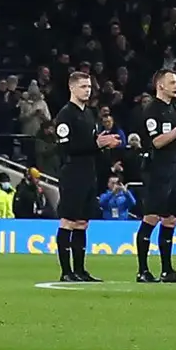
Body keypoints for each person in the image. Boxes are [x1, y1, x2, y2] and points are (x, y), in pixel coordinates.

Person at [41, 66, 112, 285]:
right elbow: (65, 148)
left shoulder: (89, 114)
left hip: (88, 172)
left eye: (89, 86)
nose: (87, 90)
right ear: (72, 88)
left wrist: (102, 144)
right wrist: (95, 144)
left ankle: (80, 270)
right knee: (68, 221)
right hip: (72, 173)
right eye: (83, 86)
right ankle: (66, 271)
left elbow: (91, 144)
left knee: (82, 222)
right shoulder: (66, 115)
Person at [135, 66, 176, 283]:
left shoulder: (174, 108)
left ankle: (166, 270)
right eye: (173, 83)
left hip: (175, 172)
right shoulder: (152, 109)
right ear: (161, 85)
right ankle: (142, 270)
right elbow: (157, 142)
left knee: (170, 220)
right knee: (151, 217)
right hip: (157, 172)